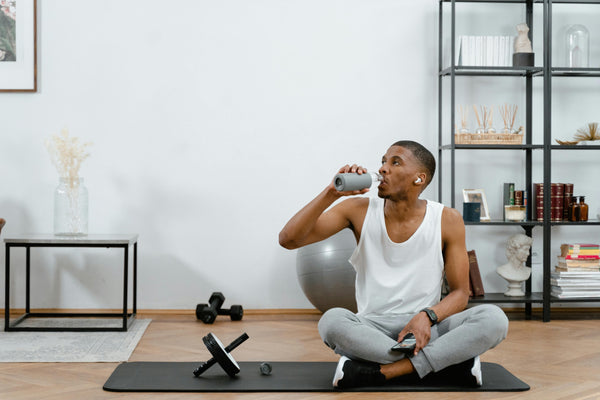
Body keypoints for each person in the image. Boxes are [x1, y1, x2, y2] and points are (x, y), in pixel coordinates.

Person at [279, 140, 508, 389]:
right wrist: (331, 193)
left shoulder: (446, 219)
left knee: (494, 319)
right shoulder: (358, 210)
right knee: (331, 322)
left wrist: (426, 317)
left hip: (427, 327)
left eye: (395, 162)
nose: (383, 168)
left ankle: (385, 371)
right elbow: (288, 240)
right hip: (371, 327)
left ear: (419, 179)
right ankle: (444, 364)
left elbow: (461, 293)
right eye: (383, 161)